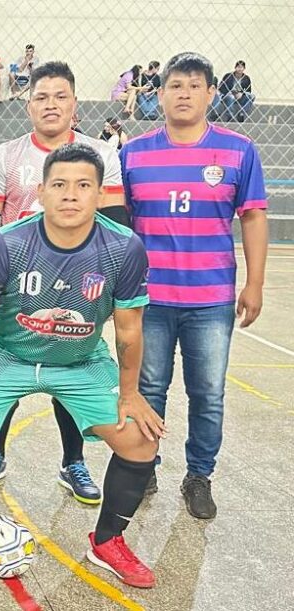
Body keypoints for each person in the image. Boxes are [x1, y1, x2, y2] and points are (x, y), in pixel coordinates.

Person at [0, 143, 164, 590]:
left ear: (100, 194)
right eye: (59, 185)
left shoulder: (124, 247)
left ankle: (108, 542)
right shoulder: (8, 241)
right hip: (8, 352)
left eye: (83, 186)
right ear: (41, 191)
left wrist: (132, 396)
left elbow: (130, 332)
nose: (70, 195)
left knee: (139, 440)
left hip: (81, 359)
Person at [0, 61, 129, 505]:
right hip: (14, 281)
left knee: (69, 368)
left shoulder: (101, 155)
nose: (51, 104)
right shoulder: (6, 155)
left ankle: (72, 461)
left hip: (79, 284)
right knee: (8, 365)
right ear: (29, 103)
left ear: (74, 103)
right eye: (41, 97)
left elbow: (114, 218)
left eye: (60, 96)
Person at [122, 51, 268, 519]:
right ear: (159, 94)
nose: (183, 93)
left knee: (207, 392)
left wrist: (255, 284)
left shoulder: (238, 150)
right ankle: (144, 467)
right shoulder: (133, 154)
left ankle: (199, 475)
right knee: (149, 388)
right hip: (150, 298)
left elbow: (254, 216)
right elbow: (118, 227)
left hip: (211, 299)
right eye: (174, 85)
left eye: (193, 85)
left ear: (210, 93)